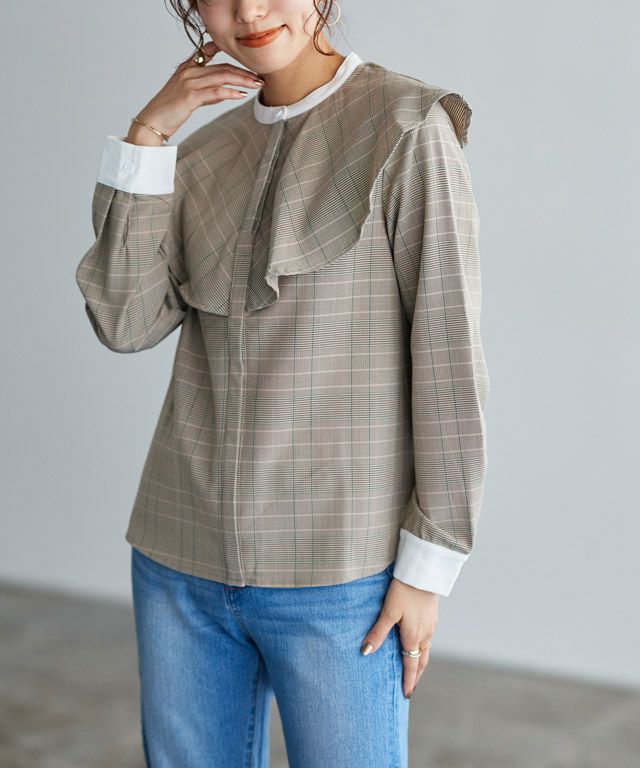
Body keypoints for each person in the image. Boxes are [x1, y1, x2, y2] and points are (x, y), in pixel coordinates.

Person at [75, 1, 490, 765]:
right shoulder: (203, 154)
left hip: (340, 568)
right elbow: (124, 322)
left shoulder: (406, 127)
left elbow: (448, 358)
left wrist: (429, 566)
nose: (250, 10)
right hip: (179, 555)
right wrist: (148, 138)